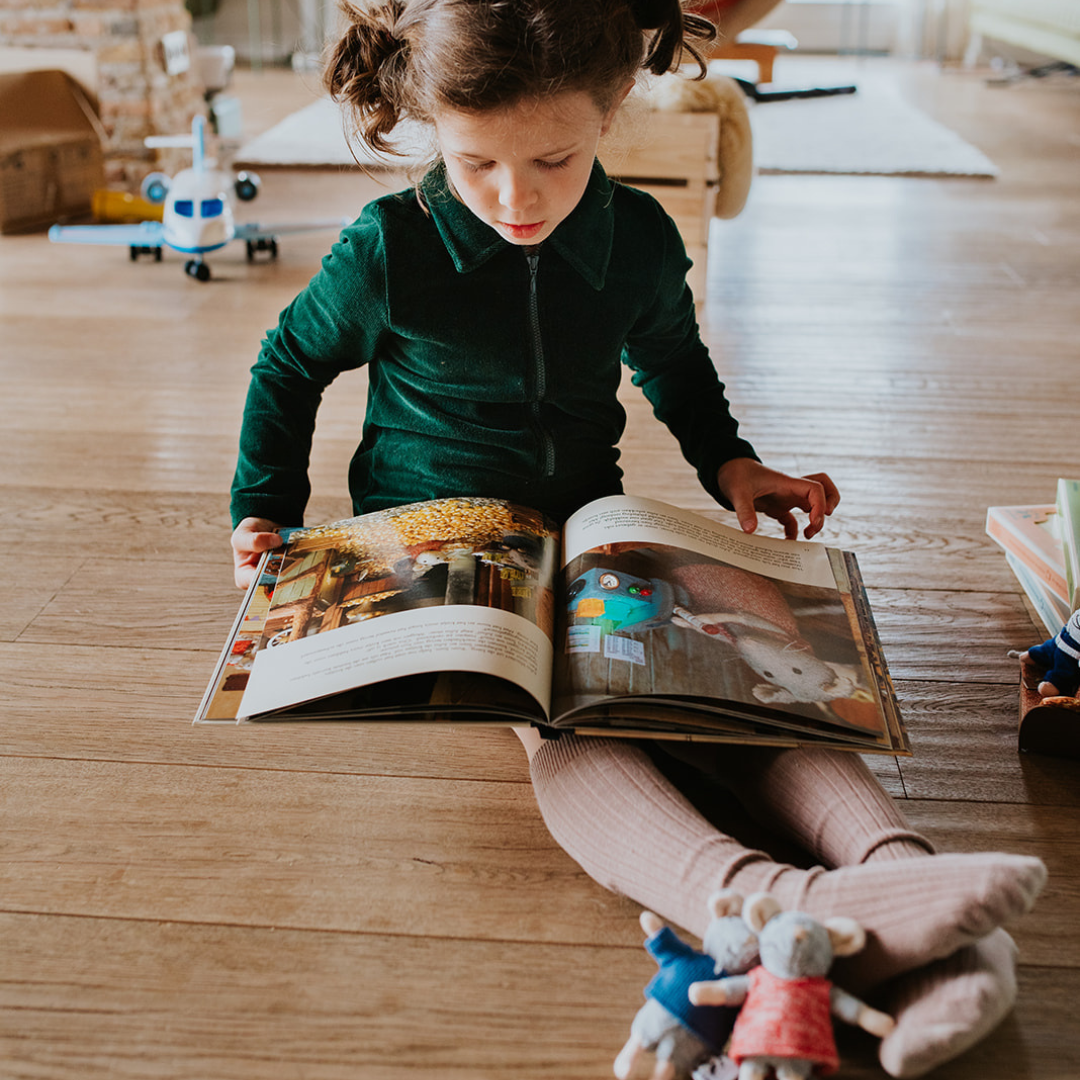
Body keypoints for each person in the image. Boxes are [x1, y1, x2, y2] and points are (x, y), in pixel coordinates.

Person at [228, 3, 1046, 1076]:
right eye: (476, 164)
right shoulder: (389, 249)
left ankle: (913, 894)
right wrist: (268, 512)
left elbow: (674, 363)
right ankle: (771, 903)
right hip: (436, 539)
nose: (516, 197)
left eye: (554, 159)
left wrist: (732, 464)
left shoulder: (639, 242)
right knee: (568, 722)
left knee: (743, 682)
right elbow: (288, 365)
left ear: (612, 108)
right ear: (432, 126)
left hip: (588, 523)